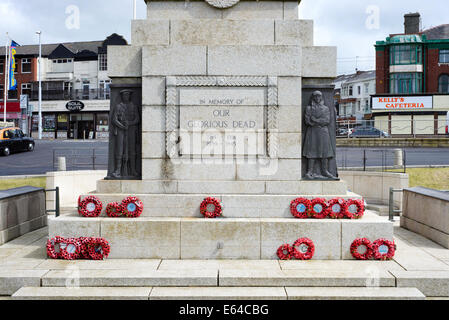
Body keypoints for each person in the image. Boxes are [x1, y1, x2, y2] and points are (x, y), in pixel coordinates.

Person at [303, 91, 338, 180]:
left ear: (321, 97)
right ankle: (309, 171)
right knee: (312, 151)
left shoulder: (326, 109)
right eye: (315, 96)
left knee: (324, 152)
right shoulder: (309, 108)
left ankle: (325, 171)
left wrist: (315, 120)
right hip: (312, 132)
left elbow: (326, 121)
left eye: (319, 96)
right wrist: (316, 121)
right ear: (313, 98)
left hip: (323, 132)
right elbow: (308, 121)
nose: (317, 98)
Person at [111, 89, 140, 178]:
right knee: (119, 150)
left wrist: (129, 124)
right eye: (124, 95)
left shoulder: (134, 106)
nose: (126, 97)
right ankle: (118, 171)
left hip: (131, 130)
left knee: (132, 150)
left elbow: (137, 119)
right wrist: (122, 126)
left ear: (130, 96)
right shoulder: (118, 106)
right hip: (120, 130)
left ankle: (133, 170)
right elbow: (114, 119)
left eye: (127, 95)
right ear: (122, 96)